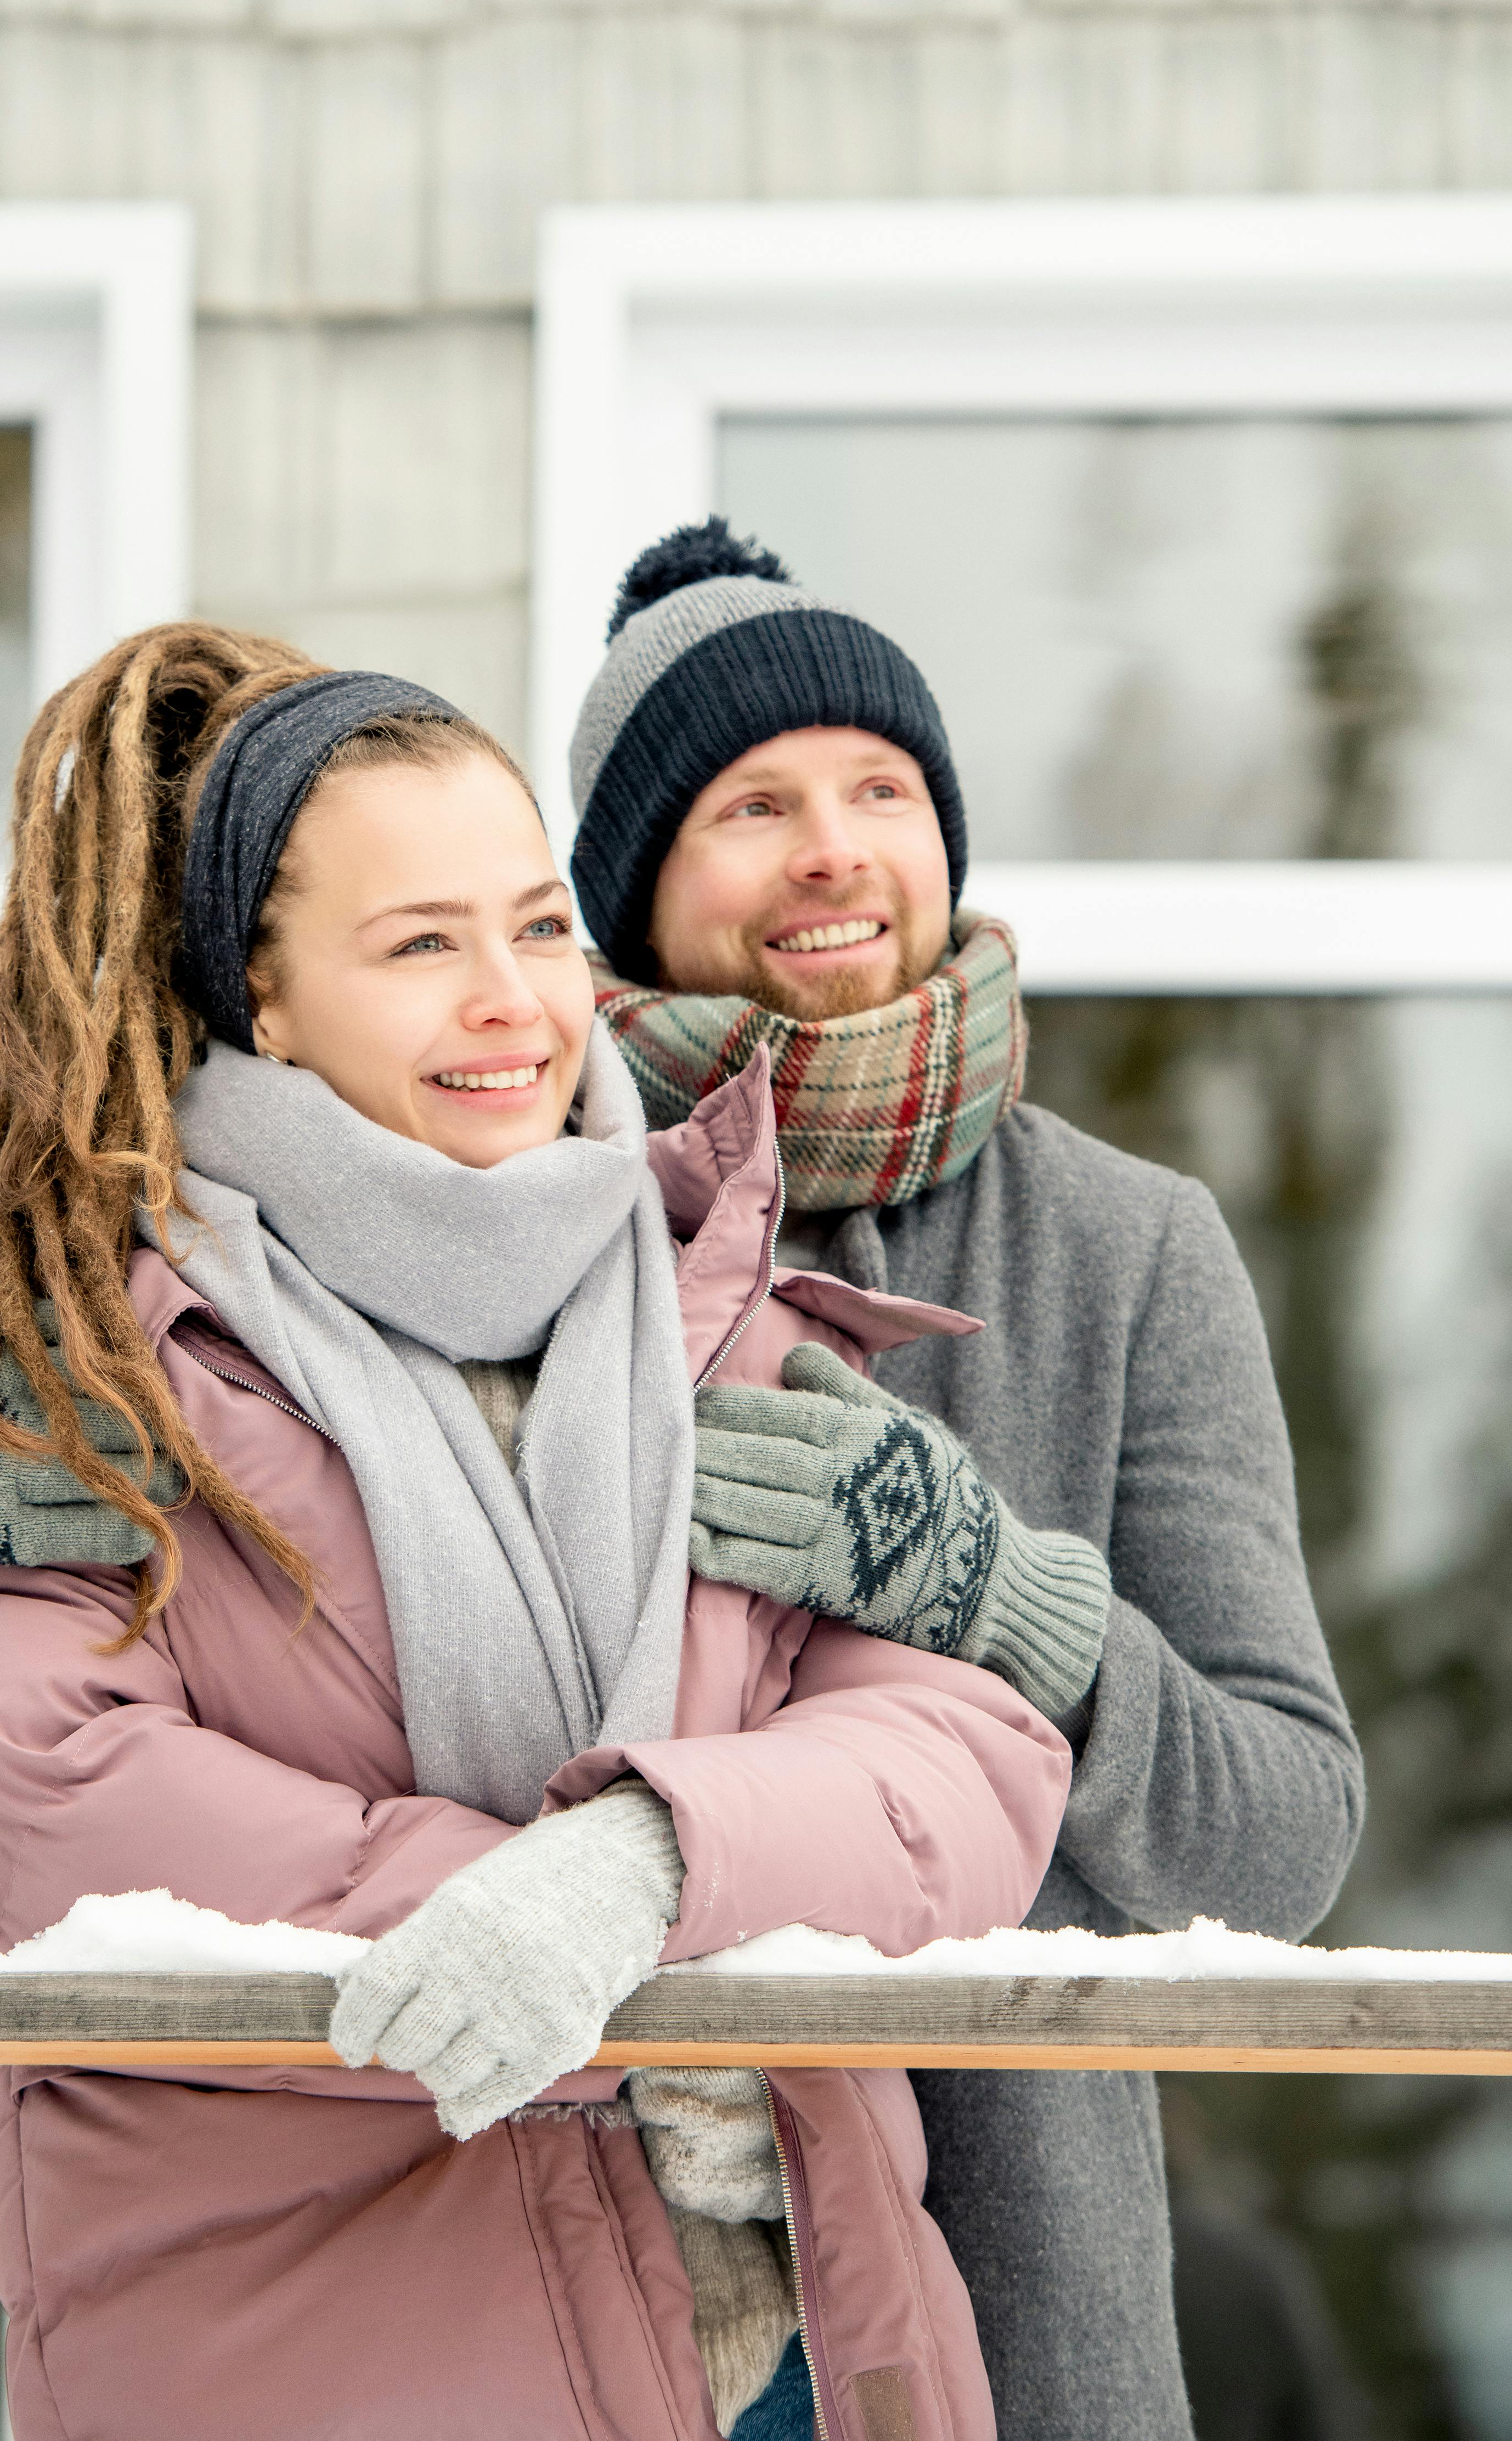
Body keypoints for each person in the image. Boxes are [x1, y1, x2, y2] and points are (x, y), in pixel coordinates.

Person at [0, 622, 1071, 2440]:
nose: (512, 1003)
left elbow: (966, 1748)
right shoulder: (109, 1369)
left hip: (777, 2364)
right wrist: (506, 1920)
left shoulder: (723, 1315)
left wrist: (633, 1871)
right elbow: (26, 1813)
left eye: (537, 927)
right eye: (421, 945)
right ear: (261, 995)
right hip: (314, 2368)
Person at [565, 522, 1367, 2441]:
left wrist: (993, 1595)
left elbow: (1284, 1829)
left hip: (994, 2298)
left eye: (880, 788)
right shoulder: (517, 1225)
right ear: (632, 892)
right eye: (751, 804)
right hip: (554, 2262)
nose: (834, 845)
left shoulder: (1122, 1246)